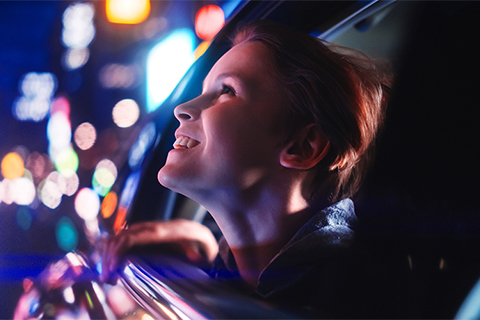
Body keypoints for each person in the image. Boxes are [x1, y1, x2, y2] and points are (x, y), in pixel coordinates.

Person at [101, 20, 392, 318]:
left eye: (226, 90)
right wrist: (205, 247)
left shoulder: (354, 299)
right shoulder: (304, 280)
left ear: (303, 148)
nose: (182, 108)